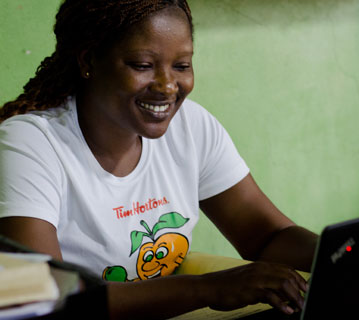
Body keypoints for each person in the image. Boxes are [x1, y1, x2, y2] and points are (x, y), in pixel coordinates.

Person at [0, 0, 318, 319]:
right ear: (89, 61)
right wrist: (209, 289)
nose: (168, 86)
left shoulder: (191, 127)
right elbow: (39, 295)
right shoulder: (31, 144)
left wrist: (344, 255)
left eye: (181, 66)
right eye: (142, 65)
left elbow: (265, 236)